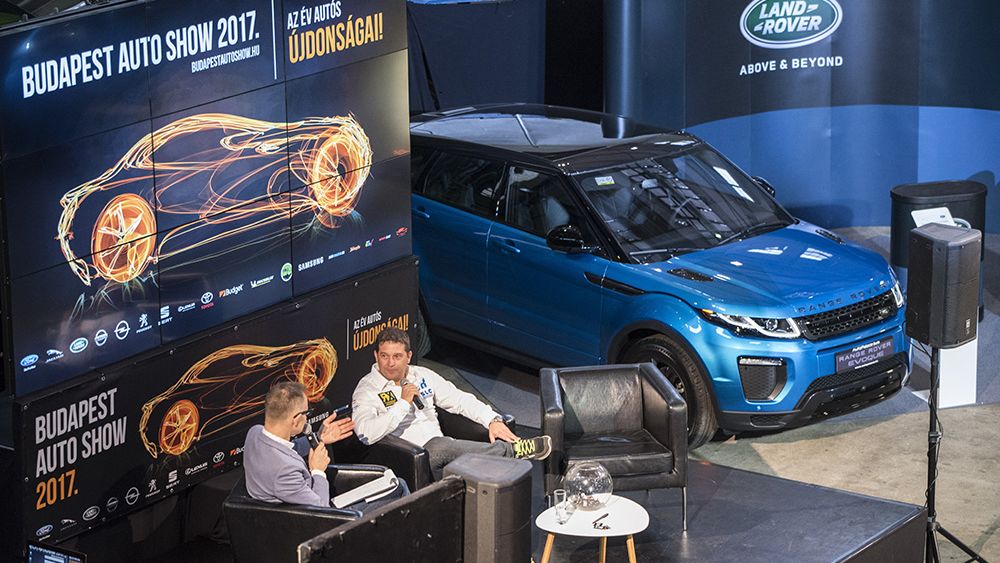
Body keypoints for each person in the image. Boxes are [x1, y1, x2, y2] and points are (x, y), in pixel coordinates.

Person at [353, 327, 551, 480]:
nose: (390, 363)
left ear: (409, 356)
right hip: (410, 460)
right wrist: (403, 404)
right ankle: (511, 451)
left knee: (453, 454)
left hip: (446, 452)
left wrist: (492, 420)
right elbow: (365, 433)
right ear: (376, 356)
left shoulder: (422, 376)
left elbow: (459, 400)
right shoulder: (367, 389)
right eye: (384, 356)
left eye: (397, 356)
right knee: (439, 446)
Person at [244, 380, 406, 507]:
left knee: (391, 481)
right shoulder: (284, 472)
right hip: (321, 517)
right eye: (307, 413)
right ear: (296, 420)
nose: (307, 417)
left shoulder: (255, 433)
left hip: (309, 500)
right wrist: (318, 471)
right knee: (399, 487)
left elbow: (289, 448)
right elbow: (321, 508)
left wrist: (319, 437)